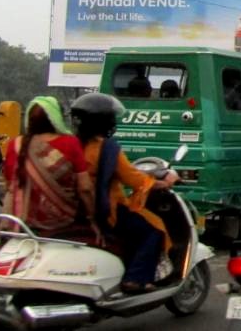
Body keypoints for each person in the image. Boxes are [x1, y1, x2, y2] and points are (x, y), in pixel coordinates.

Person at [70, 93, 179, 293]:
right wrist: (160, 183)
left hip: (74, 209)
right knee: (154, 230)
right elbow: (132, 177)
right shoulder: (106, 149)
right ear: (104, 121)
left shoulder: (71, 145)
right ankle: (135, 278)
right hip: (105, 209)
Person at [0, 97, 96, 241]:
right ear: (56, 118)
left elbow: (9, 185)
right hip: (62, 221)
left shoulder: (16, 144)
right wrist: (93, 219)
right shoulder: (70, 143)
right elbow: (85, 188)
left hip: (20, 223)